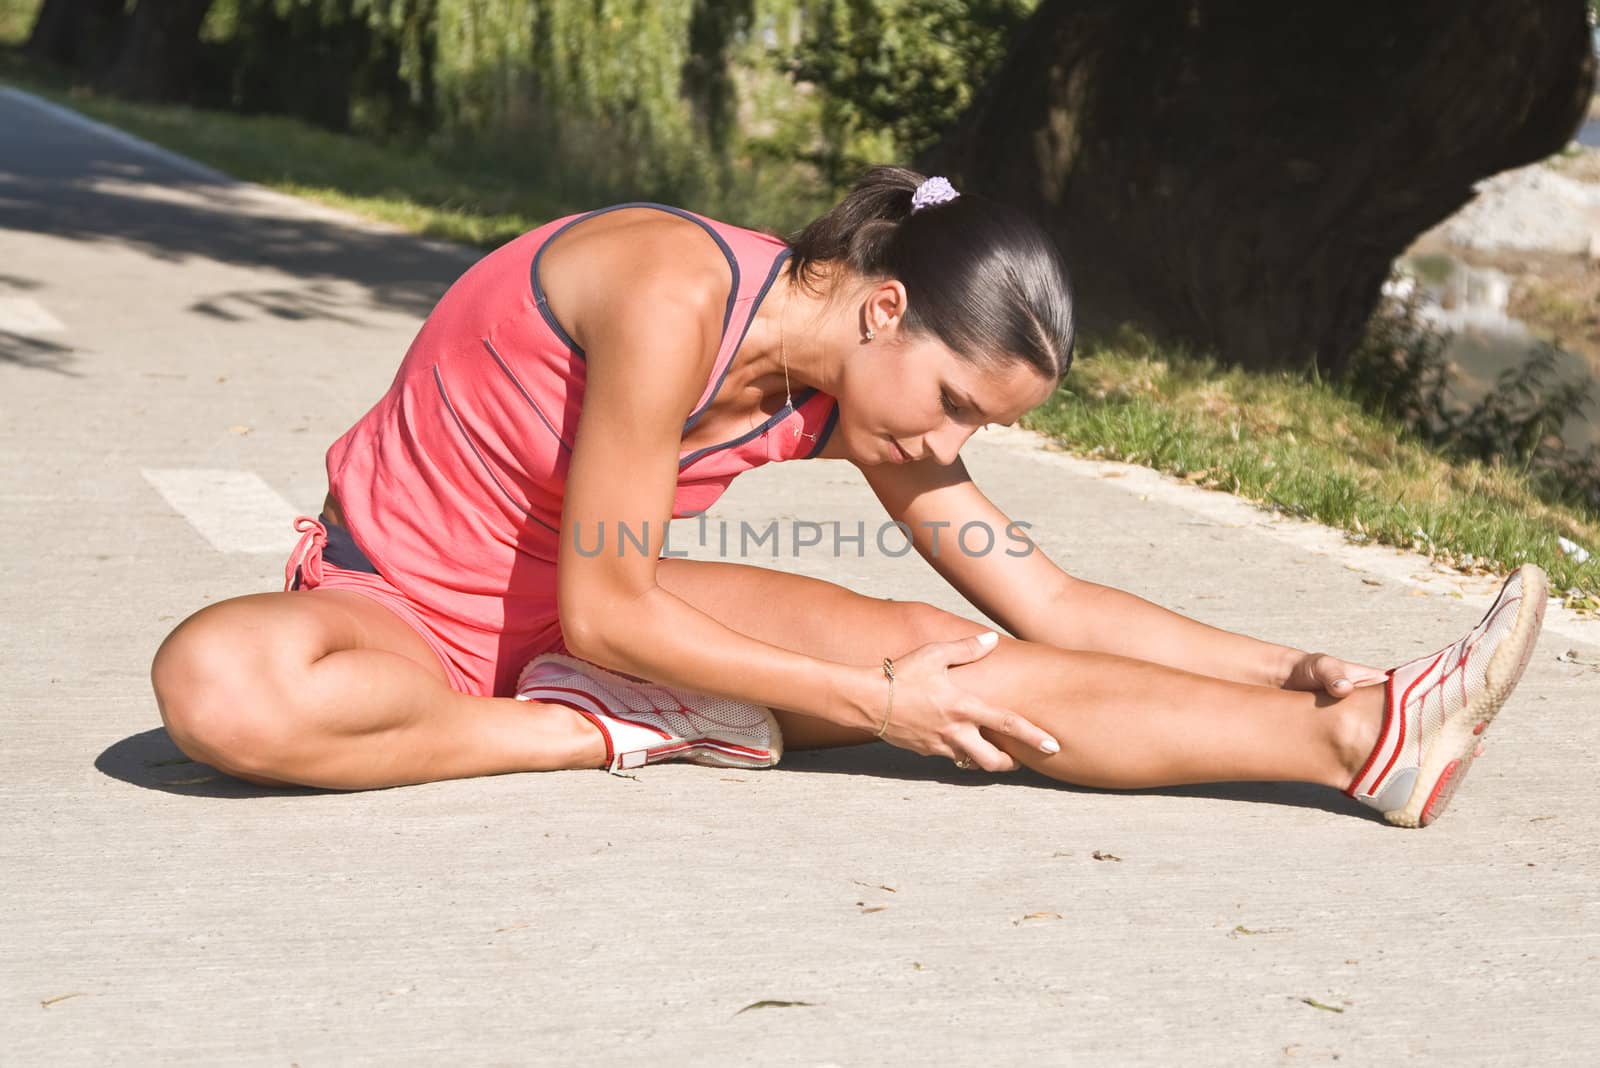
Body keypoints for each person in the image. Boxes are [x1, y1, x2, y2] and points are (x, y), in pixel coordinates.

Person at [149, 167, 1546, 827]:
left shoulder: (860, 393)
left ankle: (1365, 744)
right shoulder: (668, 289)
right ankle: (595, 740)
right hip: (406, 606)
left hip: (590, 617)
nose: (948, 444)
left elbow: (1038, 595)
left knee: (953, 659)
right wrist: (878, 712)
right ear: (884, 307)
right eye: (952, 404)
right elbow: (607, 601)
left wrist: (1293, 668)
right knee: (222, 686)